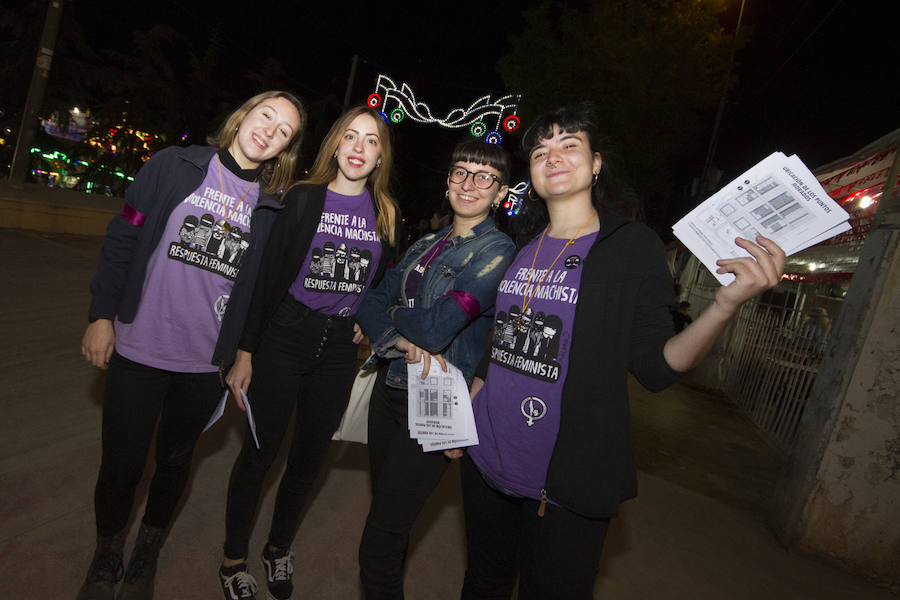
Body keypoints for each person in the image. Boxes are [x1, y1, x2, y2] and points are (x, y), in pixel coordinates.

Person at [455, 104, 786, 599]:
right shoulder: (524, 244)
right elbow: (501, 341)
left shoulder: (631, 246)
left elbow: (658, 364)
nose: (554, 157)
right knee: (483, 582)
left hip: (565, 478)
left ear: (596, 164)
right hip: (485, 459)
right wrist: (468, 417)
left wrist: (723, 305)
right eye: (541, 151)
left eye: (570, 145)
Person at [77, 91, 306, 600]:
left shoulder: (270, 209)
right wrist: (101, 314)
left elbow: (258, 295)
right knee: (122, 464)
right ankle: (106, 554)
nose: (269, 130)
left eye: (284, 130)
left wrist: (242, 354)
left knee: (175, 463)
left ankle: (144, 558)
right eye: (266, 115)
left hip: (203, 364)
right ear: (243, 113)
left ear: (284, 149)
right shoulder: (174, 166)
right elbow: (123, 236)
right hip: (138, 345)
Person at [218, 105, 401, 600]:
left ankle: (278, 549)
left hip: (340, 349)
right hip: (284, 337)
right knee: (260, 453)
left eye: (371, 141)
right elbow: (267, 280)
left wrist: (366, 320)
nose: (359, 148)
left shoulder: (386, 214)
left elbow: (383, 285)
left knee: (308, 459)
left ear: (381, 154)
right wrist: (245, 351)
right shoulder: (303, 199)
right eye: (350, 138)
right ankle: (234, 558)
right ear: (335, 146)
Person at [354, 140, 516, 598]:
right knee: (392, 524)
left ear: (500, 193)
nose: (470, 184)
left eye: (484, 177)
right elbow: (368, 300)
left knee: (377, 542)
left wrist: (395, 323)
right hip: (389, 392)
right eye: (461, 172)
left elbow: (437, 327)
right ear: (447, 181)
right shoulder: (426, 242)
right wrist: (398, 334)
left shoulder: (496, 251)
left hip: (434, 404)